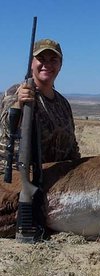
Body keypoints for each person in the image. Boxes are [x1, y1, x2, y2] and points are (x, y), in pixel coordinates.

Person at [0, 38, 80, 174]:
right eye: (41, 59)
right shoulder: (16, 92)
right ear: (31, 63)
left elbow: (72, 146)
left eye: (53, 60)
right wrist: (19, 104)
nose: (47, 64)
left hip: (57, 180)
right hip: (15, 180)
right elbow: (7, 129)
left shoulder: (63, 103)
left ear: (60, 65)